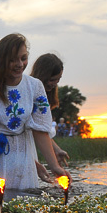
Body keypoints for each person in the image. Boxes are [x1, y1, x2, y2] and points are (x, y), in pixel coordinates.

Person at [0, 34, 69, 191]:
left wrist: (54, 166)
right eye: (12, 60)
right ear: (1, 61)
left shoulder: (35, 87)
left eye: (23, 58)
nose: (19, 64)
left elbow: (40, 131)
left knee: (22, 204)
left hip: (21, 156)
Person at [29, 53, 70, 182]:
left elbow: (40, 132)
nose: (54, 84)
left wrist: (56, 150)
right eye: (52, 79)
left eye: (58, 80)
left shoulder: (45, 98)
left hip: (28, 150)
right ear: (42, 75)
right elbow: (33, 130)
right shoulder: (28, 91)